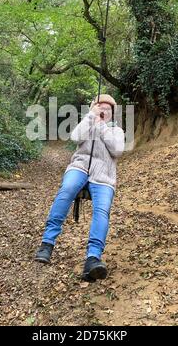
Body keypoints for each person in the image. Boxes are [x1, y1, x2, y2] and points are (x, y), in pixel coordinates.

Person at [34, 94, 125, 281]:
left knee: (102, 210)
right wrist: (91, 118)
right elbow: (75, 137)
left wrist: (101, 127)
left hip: (104, 176)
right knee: (66, 190)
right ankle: (47, 244)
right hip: (80, 167)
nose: (103, 109)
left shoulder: (116, 131)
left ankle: (93, 258)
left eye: (107, 108)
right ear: (93, 108)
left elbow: (117, 150)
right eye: (99, 106)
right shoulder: (86, 122)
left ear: (112, 113)